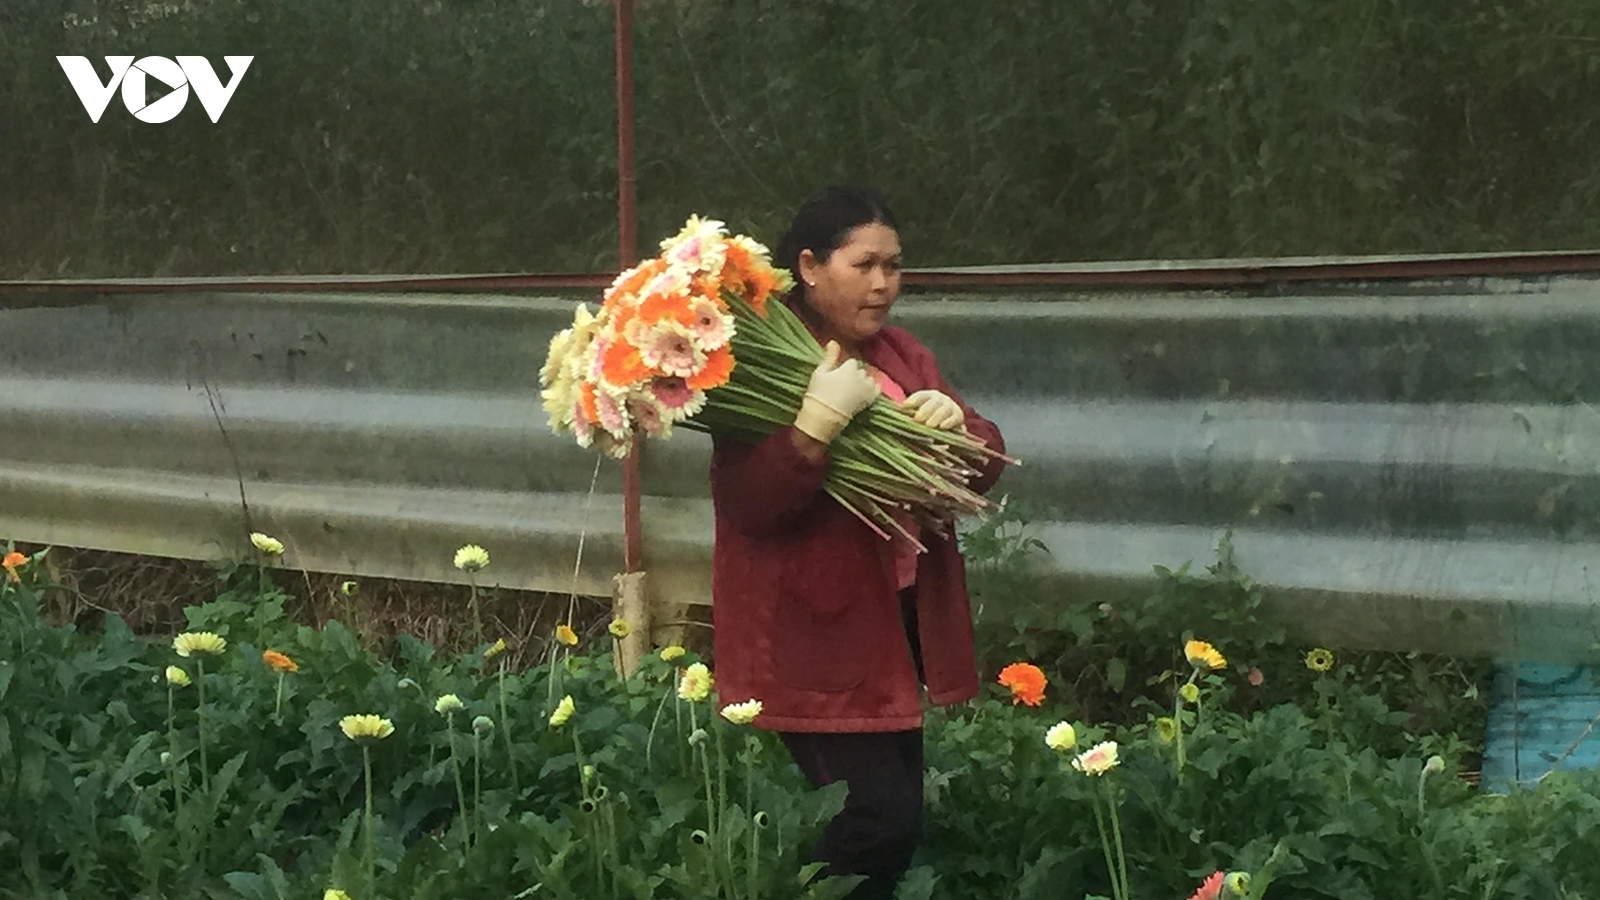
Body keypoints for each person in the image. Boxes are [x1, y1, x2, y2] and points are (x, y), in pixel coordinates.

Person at [708, 185, 1008, 898]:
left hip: (890, 620)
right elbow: (749, 505)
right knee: (877, 819)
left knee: (891, 819)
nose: (883, 284)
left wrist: (961, 430)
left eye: (894, 266)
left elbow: (984, 460)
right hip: (814, 631)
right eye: (864, 264)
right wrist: (811, 428)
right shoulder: (759, 363)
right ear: (809, 267)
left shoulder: (901, 354)